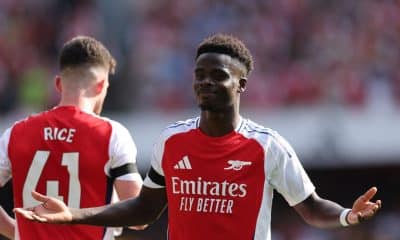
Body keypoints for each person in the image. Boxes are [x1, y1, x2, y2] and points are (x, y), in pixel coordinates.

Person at [15, 34, 381, 240]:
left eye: (217, 75)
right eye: (199, 73)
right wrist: (74, 216)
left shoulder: (267, 146)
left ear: (241, 84)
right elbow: (144, 208)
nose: (205, 81)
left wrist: (348, 215)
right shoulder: (171, 142)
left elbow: (311, 207)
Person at [0, 36, 144, 240]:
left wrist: (16, 232)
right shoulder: (112, 134)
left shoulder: (15, 133)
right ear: (101, 86)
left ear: (58, 84)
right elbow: (139, 217)